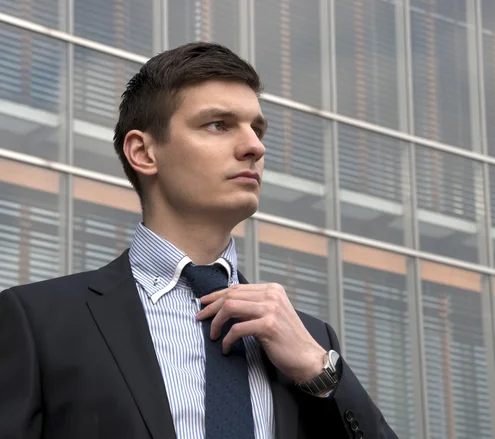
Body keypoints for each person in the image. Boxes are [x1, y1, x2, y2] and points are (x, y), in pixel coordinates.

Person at [0, 42, 398, 439]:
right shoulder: (39, 322)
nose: (255, 147)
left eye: (257, 129)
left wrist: (319, 369)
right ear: (144, 152)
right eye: (218, 125)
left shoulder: (308, 339)